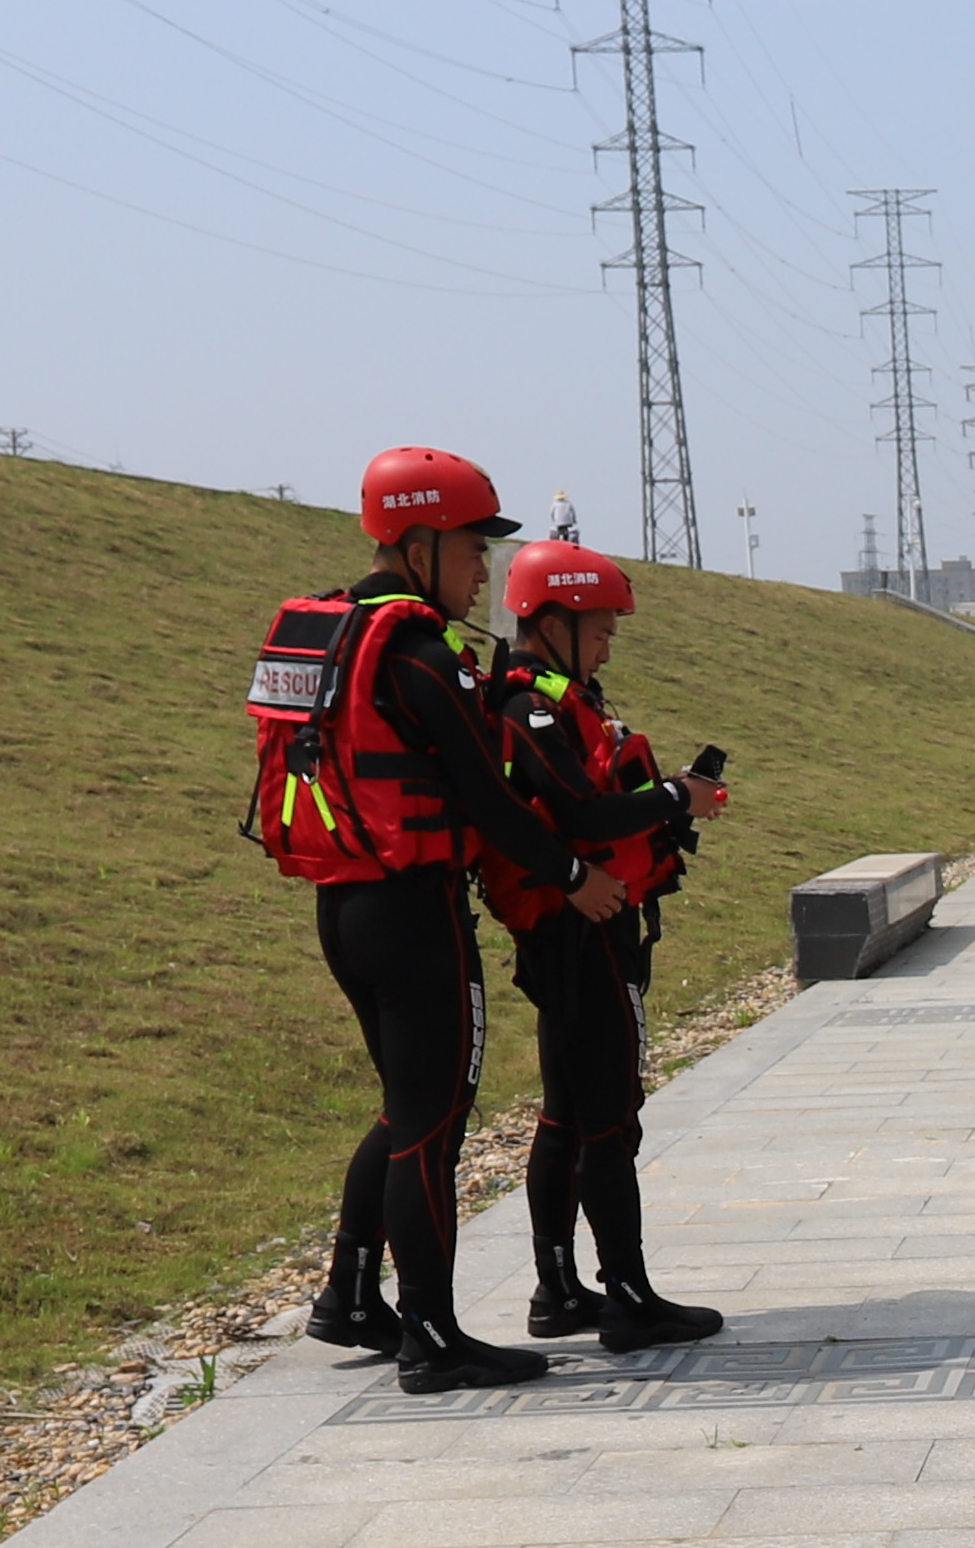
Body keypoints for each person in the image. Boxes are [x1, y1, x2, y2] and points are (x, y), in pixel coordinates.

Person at [240, 447, 601, 1396]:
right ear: (417, 545)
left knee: (406, 1110)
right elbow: (490, 800)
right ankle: (433, 1337)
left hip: (345, 908)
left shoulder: (336, 634)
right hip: (414, 915)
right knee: (433, 1125)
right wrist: (573, 875)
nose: (485, 570)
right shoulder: (420, 655)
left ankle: (352, 1299)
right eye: (473, 547)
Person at [474, 539, 727, 1351]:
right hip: (583, 933)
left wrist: (666, 800)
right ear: (554, 624)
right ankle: (627, 1297)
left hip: (567, 932)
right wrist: (675, 795)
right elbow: (583, 815)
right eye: (602, 629)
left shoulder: (546, 699)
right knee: (609, 1118)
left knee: (565, 1113)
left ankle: (558, 1291)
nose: (610, 646)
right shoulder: (531, 707)